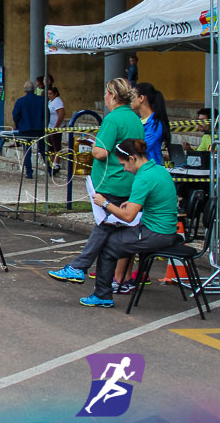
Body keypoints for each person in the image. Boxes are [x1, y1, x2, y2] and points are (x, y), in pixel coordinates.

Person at [51, 138, 178, 308]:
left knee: (108, 244)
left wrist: (105, 203)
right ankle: (85, 274)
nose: (125, 169)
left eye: (124, 164)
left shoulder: (144, 177)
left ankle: (101, 293)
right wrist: (128, 205)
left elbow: (128, 217)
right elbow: (153, 201)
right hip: (164, 229)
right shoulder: (158, 170)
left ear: (132, 158)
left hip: (156, 233)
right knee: (112, 235)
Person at [48, 78, 144, 285]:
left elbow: (100, 152)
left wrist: (93, 145)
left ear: (112, 96)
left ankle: (80, 267)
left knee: (105, 225)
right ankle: (106, 281)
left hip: (110, 180)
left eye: (106, 95)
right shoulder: (136, 119)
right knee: (112, 230)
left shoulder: (112, 119)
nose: (105, 99)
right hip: (129, 178)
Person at [11, 80, 46, 179]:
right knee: (43, 150)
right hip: (39, 128)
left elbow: (15, 115)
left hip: (25, 129)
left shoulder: (20, 101)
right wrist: (44, 125)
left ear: (24, 90)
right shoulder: (41, 100)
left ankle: (29, 172)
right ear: (34, 89)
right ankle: (50, 170)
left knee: (27, 151)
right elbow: (46, 114)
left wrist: (18, 125)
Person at [132, 82, 170, 165]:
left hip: (148, 169)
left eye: (132, 96)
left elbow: (141, 148)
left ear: (141, 98)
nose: (129, 100)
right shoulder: (136, 121)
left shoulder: (155, 125)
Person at [46, 85, 65, 173]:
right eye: (48, 94)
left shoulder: (57, 102)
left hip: (56, 128)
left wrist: (56, 126)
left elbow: (61, 114)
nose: (49, 95)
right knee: (50, 145)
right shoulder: (50, 102)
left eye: (51, 94)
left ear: (55, 94)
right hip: (50, 127)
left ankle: (56, 163)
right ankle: (52, 162)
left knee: (56, 145)